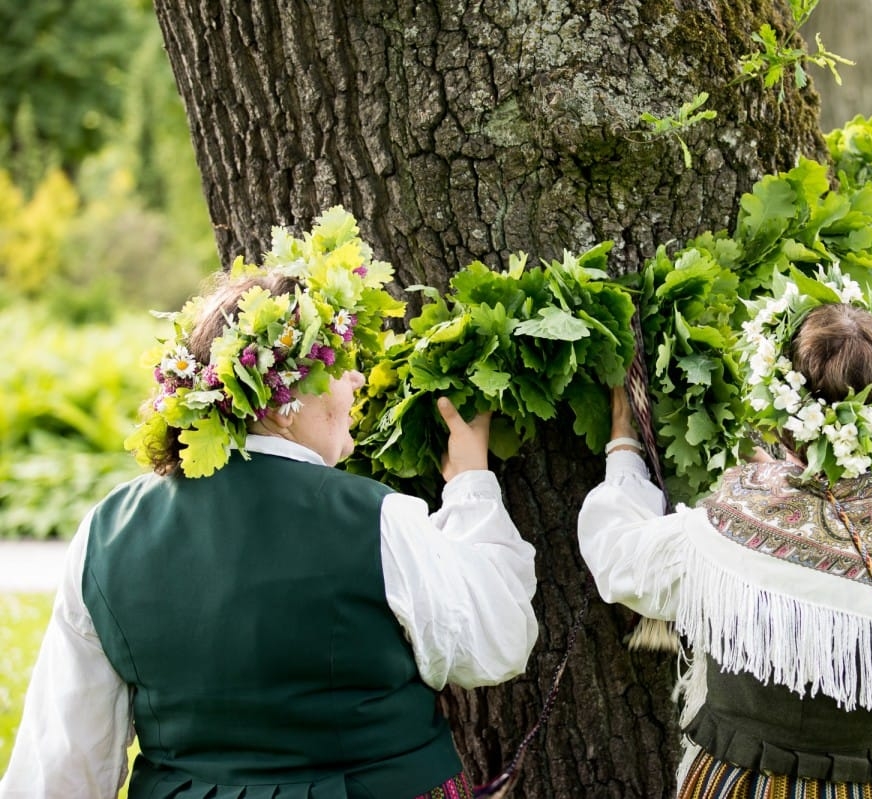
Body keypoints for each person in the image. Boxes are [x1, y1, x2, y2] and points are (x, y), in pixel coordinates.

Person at [0, 212, 538, 798]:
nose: (358, 383)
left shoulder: (107, 533)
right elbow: (496, 643)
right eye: (341, 365)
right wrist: (471, 487)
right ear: (282, 401)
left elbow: (61, 766)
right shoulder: (377, 518)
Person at [578, 271, 872, 799]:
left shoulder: (730, 531)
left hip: (762, 784)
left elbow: (620, 561)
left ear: (781, 403)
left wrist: (624, 440)